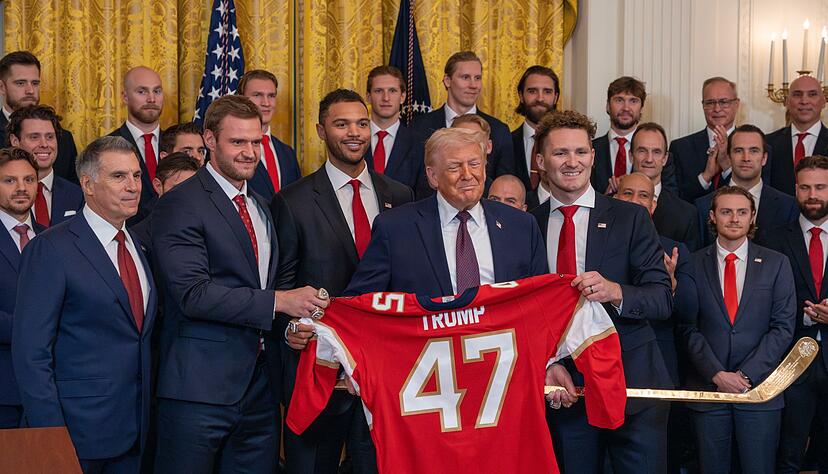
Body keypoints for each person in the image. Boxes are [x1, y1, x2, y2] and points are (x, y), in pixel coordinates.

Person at [150, 95, 327, 473]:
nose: (249, 153)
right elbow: (193, 295)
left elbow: (261, 286)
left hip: (260, 388)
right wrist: (280, 302)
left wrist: (290, 327)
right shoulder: (180, 204)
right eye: (237, 142)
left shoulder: (261, 205)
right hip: (198, 392)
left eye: (256, 142)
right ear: (209, 140)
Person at [271, 88, 413, 474]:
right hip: (320, 368)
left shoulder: (400, 196)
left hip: (385, 368)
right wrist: (290, 331)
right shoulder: (292, 200)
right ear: (321, 130)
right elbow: (282, 286)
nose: (354, 132)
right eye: (342, 123)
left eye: (362, 123)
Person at [530, 110, 673, 474]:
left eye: (581, 151)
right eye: (561, 153)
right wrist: (547, 365)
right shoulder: (525, 222)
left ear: (593, 157)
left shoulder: (631, 217)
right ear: (541, 160)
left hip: (633, 387)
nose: (572, 162)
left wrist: (614, 291)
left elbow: (661, 298)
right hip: (562, 388)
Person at [13, 136, 157, 472]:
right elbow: (31, 353)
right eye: (119, 176)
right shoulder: (51, 248)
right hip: (75, 434)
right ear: (88, 185)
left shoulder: (139, 244)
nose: (133, 186)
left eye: (136, 176)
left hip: (137, 429)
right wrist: (49, 434)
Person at [345, 126, 547, 297]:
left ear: (485, 169)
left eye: (474, 164)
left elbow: (541, 299)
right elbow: (359, 302)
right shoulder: (395, 229)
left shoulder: (522, 226)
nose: (467, 175)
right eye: (454, 167)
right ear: (432, 176)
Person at [679, 186, 795, 474]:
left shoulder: (777, 263)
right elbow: (686, 326)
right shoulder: (691, 263)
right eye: (726, 211)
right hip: (708, 393)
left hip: (759, 393)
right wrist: (717, 374)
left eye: (742, 212)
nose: (734, 218)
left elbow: (782, 328)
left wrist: (745, 376)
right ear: (712, 216)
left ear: (752, 217)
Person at [613, 172, 699, 473]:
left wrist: (671, 284)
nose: (635, 202)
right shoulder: (600, 241)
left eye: (643, 196)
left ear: (654, 204)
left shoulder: (674, 249)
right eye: (627, 194)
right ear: (614, 198)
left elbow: (691, 312)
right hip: (606, 363)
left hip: (657, 367)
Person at [759, 155, 828, 473]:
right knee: (787, 451)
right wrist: (803, 316)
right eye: (805, 187)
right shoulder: (772, 239)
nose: (812, 194)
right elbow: (760, 303)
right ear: (795, 189)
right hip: (788, 360)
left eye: (821, 187)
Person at [412, 51, 515, 186]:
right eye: (465, 77)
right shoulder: (419, 127)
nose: (473, 85)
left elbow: (504, 186)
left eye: (477, 78)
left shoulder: (499, 130)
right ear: (447, 81)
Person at [695, 124, 798, 247]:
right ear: (728, 157)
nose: (746, 158)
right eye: (739, 151)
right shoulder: (704, 206)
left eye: (754, 151)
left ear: (764, 158)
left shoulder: (788, 206)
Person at [0, 147, 44, 429]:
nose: (21, 188)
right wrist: (39, 329)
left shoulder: (53, 237)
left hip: (49, 390)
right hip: (4, 388)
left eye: (29, 180)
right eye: (9, 180)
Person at [0, 51, 79, 184]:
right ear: (2, 87)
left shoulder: (64, 139)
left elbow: (72, 193)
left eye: (35, 83)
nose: (30, 90)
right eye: (20, 83)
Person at [8, 105, 83, 227]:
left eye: (49, 137)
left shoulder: (78, 194)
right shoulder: (4, 193)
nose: (44, 144)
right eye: (34, 137)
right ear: (15, 141)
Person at [671, 77, 744, 202]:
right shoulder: (680, 148)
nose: (717, 109)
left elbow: (756, 193)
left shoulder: (754, 146)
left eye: (724, 102)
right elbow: (675, 198)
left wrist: (727, 167)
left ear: (736, 104)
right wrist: (705, 177)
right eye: (710, 103)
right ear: (703, 105)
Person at [631, 122, 700, 251]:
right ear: (631, 155)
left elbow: (689, 266)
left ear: (665, 158)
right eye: (642, 151)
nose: (649, 159)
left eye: (656, 152)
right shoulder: (610, 204)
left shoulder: (686, 214)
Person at [108, 66, 164, 225]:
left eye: (157, 91)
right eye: (142, 92)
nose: (151, 99)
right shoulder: (106, 147)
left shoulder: (177, 143)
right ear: (125, 97)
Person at [363, 65, 428, 198]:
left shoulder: (420, 144)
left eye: (392, 91)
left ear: (402, 96)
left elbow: (424, 196)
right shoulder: (354, 138)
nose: (386, 98)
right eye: (378, 91)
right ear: (368, 96)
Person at [238, 69, 302, 201]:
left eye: (271, 96)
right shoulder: (233, 149)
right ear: (241, 99)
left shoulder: (287, 153)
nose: (266, 103)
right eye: (257, 95)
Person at [767, 75, 828, 196]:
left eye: (812, 94)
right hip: (780, 214)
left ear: (823, 102)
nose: (804, 101)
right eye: (797, 94)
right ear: (787, 102)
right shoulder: (768, 143)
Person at [130, 152, 200, 254]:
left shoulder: (210, 227)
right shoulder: (137, 239)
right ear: (158, 186)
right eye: (178, 189)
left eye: (193, 189)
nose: (187, 196)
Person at [511, 65, 559, 207]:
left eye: (547, 91)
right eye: (532, 91)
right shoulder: (506, 142)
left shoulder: (568, 146)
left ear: (556, 97)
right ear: (521, 96)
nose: (540, 98)